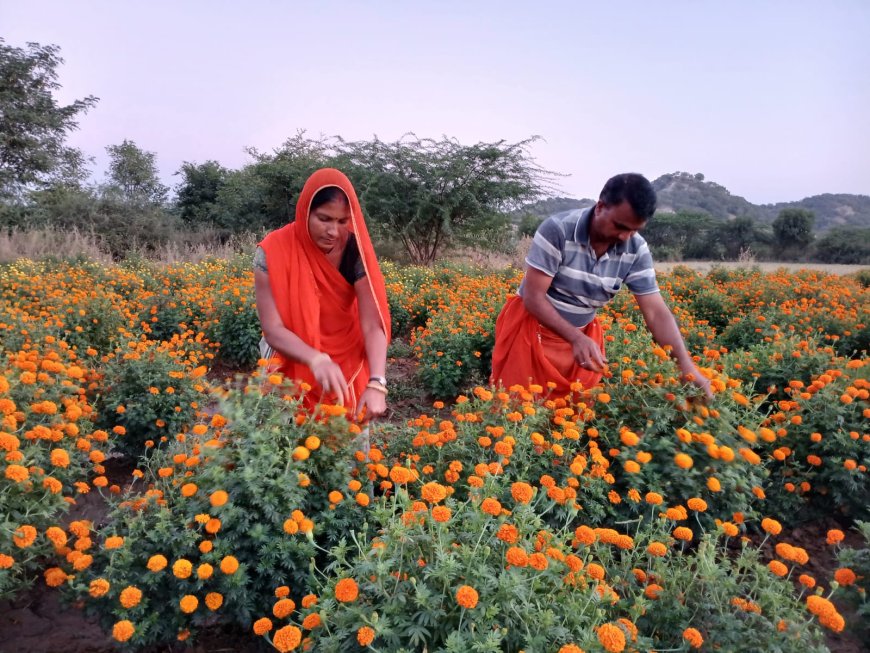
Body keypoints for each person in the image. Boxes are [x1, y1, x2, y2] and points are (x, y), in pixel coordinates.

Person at [491, 172, 712, 399]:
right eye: (620, 226)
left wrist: (686, 368)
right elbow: (533, 297)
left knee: (574, 413)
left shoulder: (635, 249)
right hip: (531, 331)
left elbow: (656, 312)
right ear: (599, 207)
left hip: (583, 336)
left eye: (634, 230)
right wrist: (575, 338)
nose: (625, 236)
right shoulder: (557, 230)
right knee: (517, 405)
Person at [254, 168, 391, 419]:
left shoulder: (353, 250)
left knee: (348, 440)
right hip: (289, 353)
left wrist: (377, 382)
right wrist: (316, 359)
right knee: (282, 441)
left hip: (347, 356)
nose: (334, 232)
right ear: (305, 211)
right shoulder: (273, 251)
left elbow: (372, 325)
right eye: (324, 219)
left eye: (342, 221)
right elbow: (273, 329)